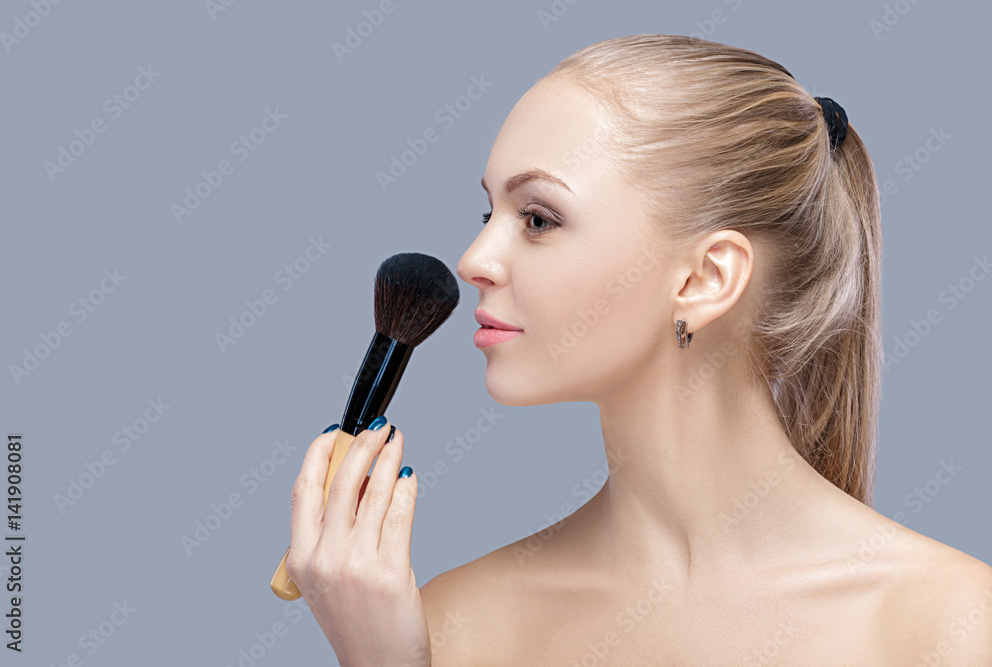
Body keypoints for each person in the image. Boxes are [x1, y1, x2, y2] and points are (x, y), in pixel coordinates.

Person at [286, 34, 992, 665]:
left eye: (537, 218)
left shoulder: (953, 627)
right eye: (487, 212)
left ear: (706, 277)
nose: (474, 259)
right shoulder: (453, 625)